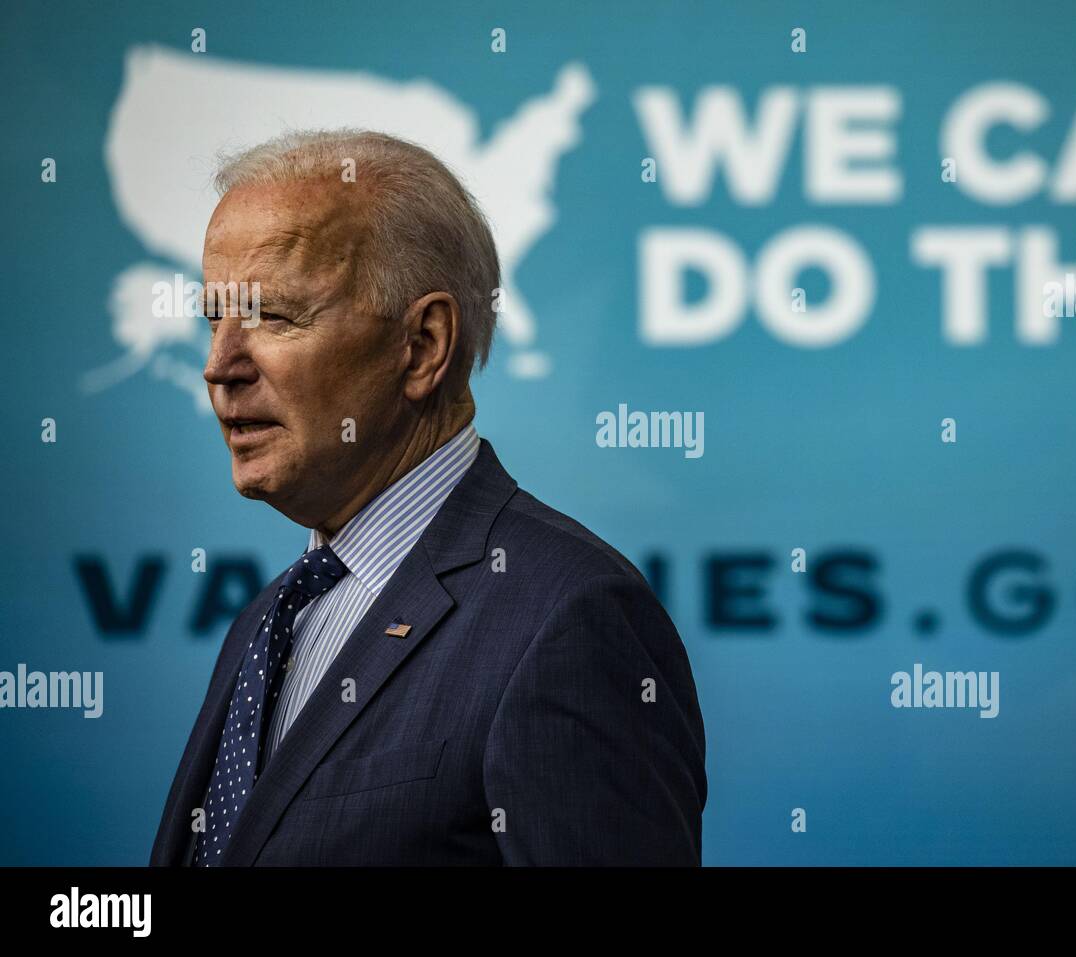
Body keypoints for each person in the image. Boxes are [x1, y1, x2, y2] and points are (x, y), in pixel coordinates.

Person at [149, 129, 707, 866]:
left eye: (273, 316)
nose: (220, 366)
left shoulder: (567, 617)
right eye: (214, 317)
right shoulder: (268, 620)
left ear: (423, 345)